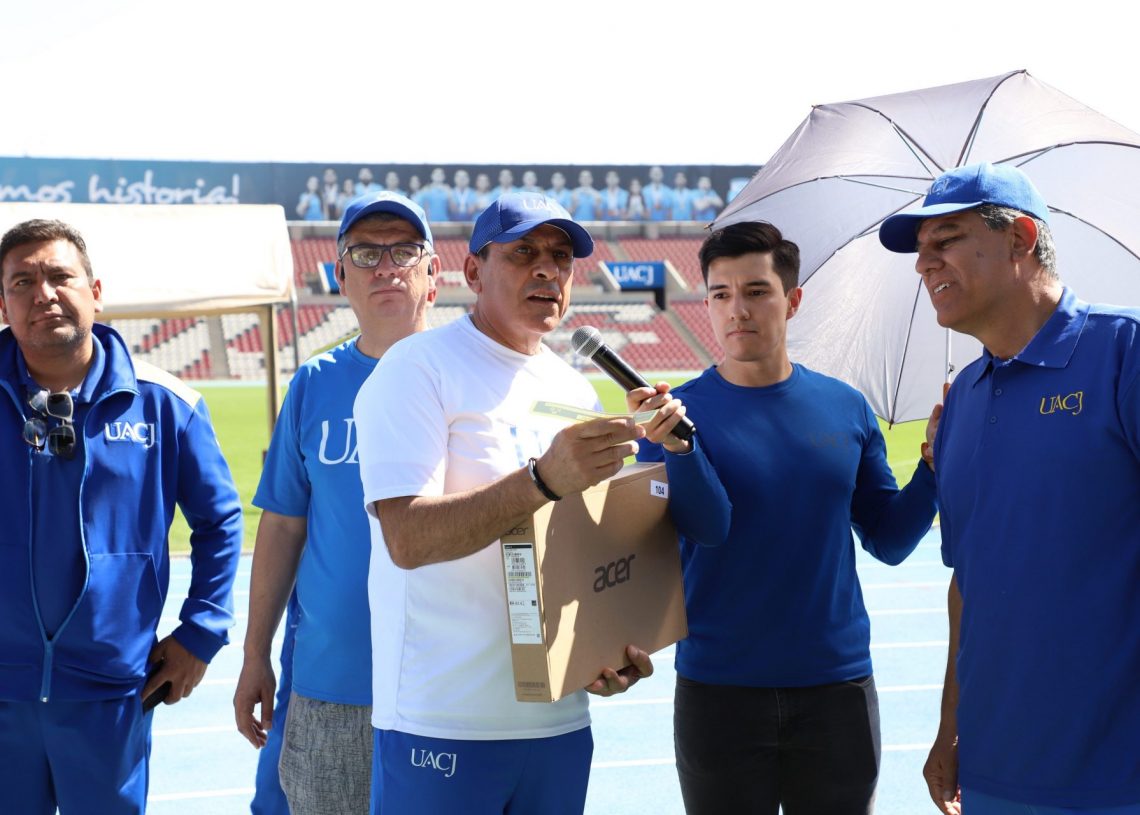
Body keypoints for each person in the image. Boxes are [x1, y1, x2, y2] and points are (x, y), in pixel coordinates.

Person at [353, 192, 662, 815]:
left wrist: (608, 647)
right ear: (473, 272)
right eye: (524, 253)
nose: (547, 269)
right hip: (443, 723)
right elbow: (407, 539)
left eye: (561, 257)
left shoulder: (573, 386)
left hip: (559, 721)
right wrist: (541, 480)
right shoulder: (417, 368)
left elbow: (579, 551)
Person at [633, 220, 940, 815]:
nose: (737, 310)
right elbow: (692, 534)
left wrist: (932, 469)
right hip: (718, 688)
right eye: (721, 294)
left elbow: (891, 539)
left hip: (836, 686)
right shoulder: (672, 421)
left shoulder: (846, 407)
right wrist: (679, 451)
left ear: (793, 301)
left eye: (756, 291)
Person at [878, 162, 1140, 815]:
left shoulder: (1125, 354)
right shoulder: (961, 402)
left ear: (1021, 237)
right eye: (920, 250)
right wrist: (951, 724)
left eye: (946, 240)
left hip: (1116, 778)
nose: (924, 264)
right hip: (993, 771)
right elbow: (967, 581)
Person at [0, 218, 243, 814]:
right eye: (22, 282)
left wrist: (201, 633)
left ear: (96, 291)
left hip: (111, 694)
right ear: (3, 306)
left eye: (59, 276)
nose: (43, 293)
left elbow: (220, 522)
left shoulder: (166, 403)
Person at [235, 192, 439, 814]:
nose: (386, 266)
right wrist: (255, 653)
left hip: (446, 686)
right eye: (366, 253)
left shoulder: (467, 377)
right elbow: (282, 527)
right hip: (332, 685)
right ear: (341, 276)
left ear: (434, 273)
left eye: (404, 251)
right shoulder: (314, 384)